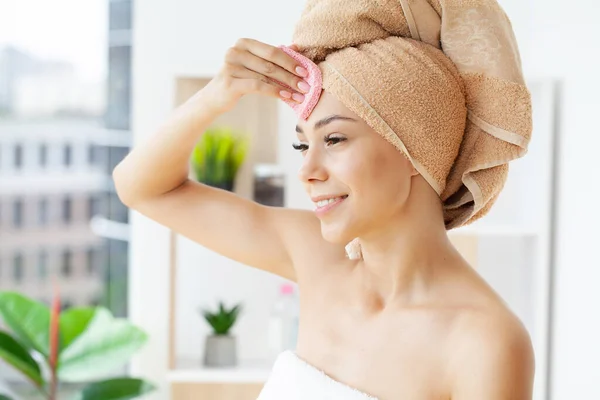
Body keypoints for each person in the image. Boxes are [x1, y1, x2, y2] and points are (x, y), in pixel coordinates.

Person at [113, 0, 535, 398]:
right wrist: (216, 95)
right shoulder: (315, 257)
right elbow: (141, 188)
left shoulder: (485, 341)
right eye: (303, 146)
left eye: (334, 139)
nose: (307, 171)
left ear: (415, 151)